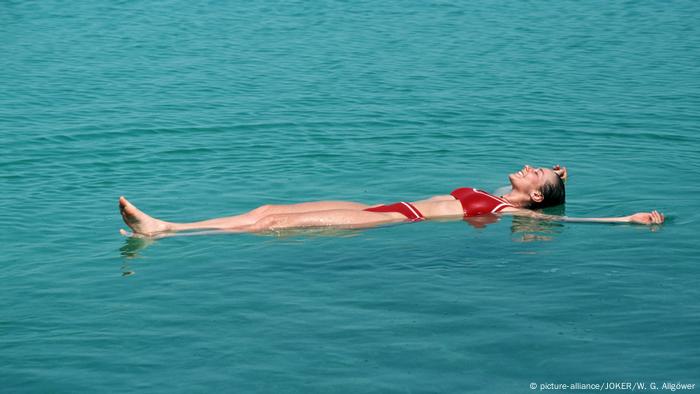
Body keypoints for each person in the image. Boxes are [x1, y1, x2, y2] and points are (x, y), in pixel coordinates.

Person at [118, 164, 664, 238]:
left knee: (275, 223)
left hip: (389, 220)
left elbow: (582, 217)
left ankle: (163, 231)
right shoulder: (499, 196)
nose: (524, 168)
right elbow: (559, 196)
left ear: (536, 196)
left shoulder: (508, 210)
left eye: (534, 172)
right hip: (380, 203)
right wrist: (560, 175)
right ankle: (169, 224)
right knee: (267, 207)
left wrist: (630, 217)